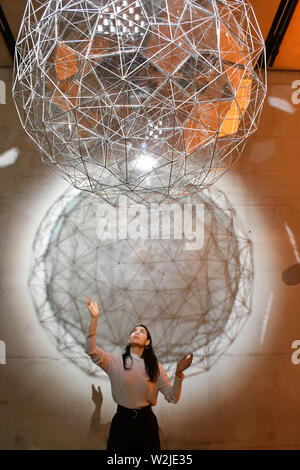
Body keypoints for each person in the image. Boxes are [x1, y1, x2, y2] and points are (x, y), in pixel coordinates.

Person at [85, 295, 193, 451]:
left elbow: (173, 397)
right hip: (121, 423)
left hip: (146, 425)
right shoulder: (115, 362)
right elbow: (91, 350)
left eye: (142, 332)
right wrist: (94, 318)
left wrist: (178, 374)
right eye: (134, 331)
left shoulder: (155, 367)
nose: (136, 332)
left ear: (147, 342)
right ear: (129, 340)